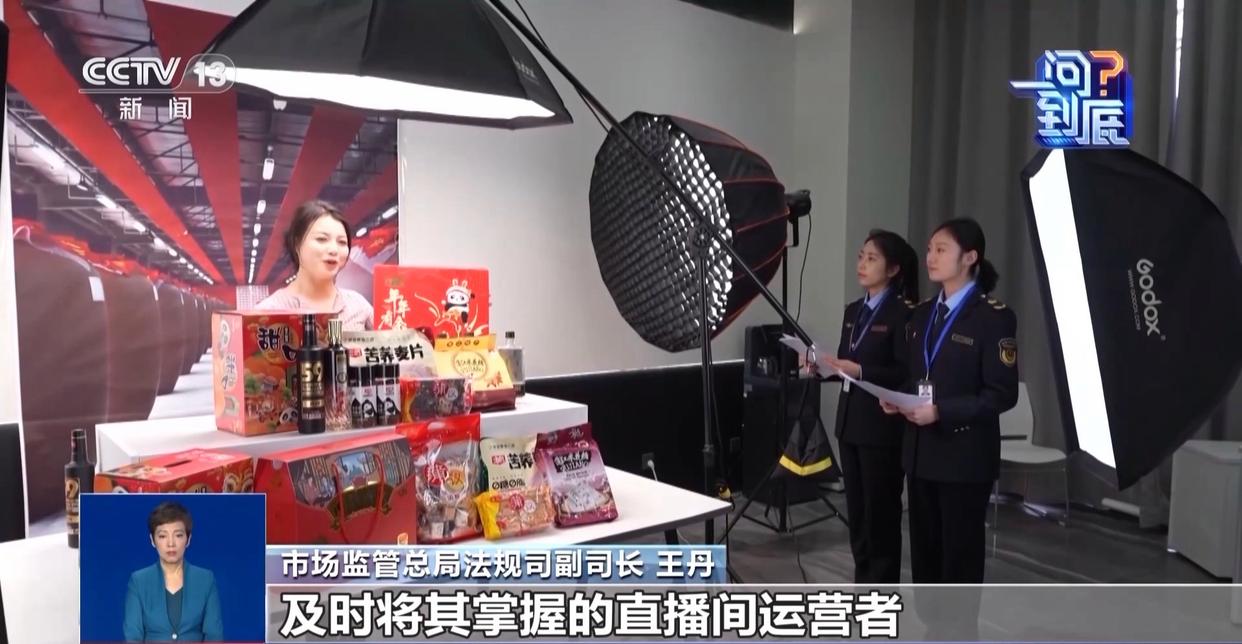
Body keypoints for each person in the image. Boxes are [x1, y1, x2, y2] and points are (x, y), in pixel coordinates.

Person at [822, 230, 918, 584]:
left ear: (893, 269)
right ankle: (863, 583)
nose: (862, 264)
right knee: (858, 513)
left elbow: (904, 372)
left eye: (872, 258)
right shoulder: (854, 310)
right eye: (861, 256)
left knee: (881, 514)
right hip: (849, 422)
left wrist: (861, 370)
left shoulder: (903, 313)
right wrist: (822, 367)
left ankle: (882, 589)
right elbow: (846, 364)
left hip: (881, 427)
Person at [256, 200, 374, 330]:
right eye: (322, 239)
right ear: (297, 244)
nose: (334, 250)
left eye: (342, 242)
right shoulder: (267, 312)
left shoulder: (358, 306)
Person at [124, 502, 223, 642]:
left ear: (188, 539)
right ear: (152, 540)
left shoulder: (206, 579)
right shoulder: (138, 581)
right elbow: (132, 638)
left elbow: (214, 636)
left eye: (178, 535)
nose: (171, 543)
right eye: (162, 536)